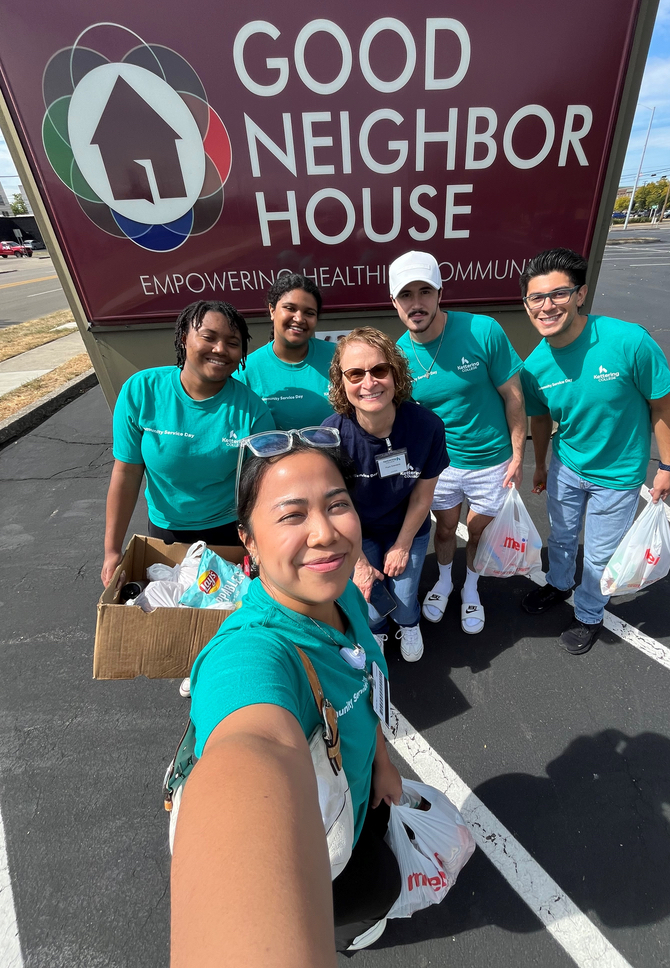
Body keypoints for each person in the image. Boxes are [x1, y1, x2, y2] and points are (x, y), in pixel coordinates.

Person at [170, 431, 403, 962]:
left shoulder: (338, 589)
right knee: (359, 897)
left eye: (337, 504)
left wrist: (383, 761)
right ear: (248, 542)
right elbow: (251, 749)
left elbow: (364, 684)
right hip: (316, 844)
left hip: (361, 798)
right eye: (291, 515)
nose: (325, 534)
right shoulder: (253, 653)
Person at [518, 248, 670, 655]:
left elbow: (662, 406)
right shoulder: (534, 366)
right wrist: (540, 465)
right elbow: (540, 421)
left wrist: (667, 467)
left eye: (558, 294)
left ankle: (589, 613)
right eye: (537, 298)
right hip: (567, 466)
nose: (547, 305)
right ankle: (558, 584)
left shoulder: (628, 341)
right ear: (527, 305)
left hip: (619, 475)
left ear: (580, 294)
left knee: (600, 554)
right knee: (562, 538)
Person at [389, 251, 527, 635]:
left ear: (439, 293)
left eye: (425, 292)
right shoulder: (398, 356)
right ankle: (445, 581)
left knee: (478, 530)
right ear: (395, 303)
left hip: (492, 461)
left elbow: (513, 395)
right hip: (441, 466)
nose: (416, 303)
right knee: (447, 529)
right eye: (406, 295)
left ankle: (471, 588)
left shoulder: (482, 330)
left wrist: (519, 455)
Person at [101, 300, 274, 586]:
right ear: (184, 338)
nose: (220, 349)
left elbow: (261, 488)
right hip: (165, 533)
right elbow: (127, 473)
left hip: (229, 533)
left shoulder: (252, 411)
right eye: (209, 337)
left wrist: (262, 547)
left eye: (232, 342)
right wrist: (111, 550)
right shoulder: (141, 391)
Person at [323, 327, 449, 662]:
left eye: (379, 370)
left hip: (406, 525)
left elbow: (423, 497)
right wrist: (360, 563)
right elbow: (331, 509)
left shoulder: (427, 427)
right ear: (341, 382)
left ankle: (409, 624)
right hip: (356, 531)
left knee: (405, 599)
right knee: (372, 604)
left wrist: (403, 545)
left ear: (395, 374)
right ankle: (375, 635)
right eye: (355, 374)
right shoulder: (332, 435)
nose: (369, 383)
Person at [236, 273, 335, 428]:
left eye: (309, 313)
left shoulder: (339, 357)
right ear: (272, 310)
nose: (299, 318)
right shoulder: (246, 371)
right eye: (290, 308)